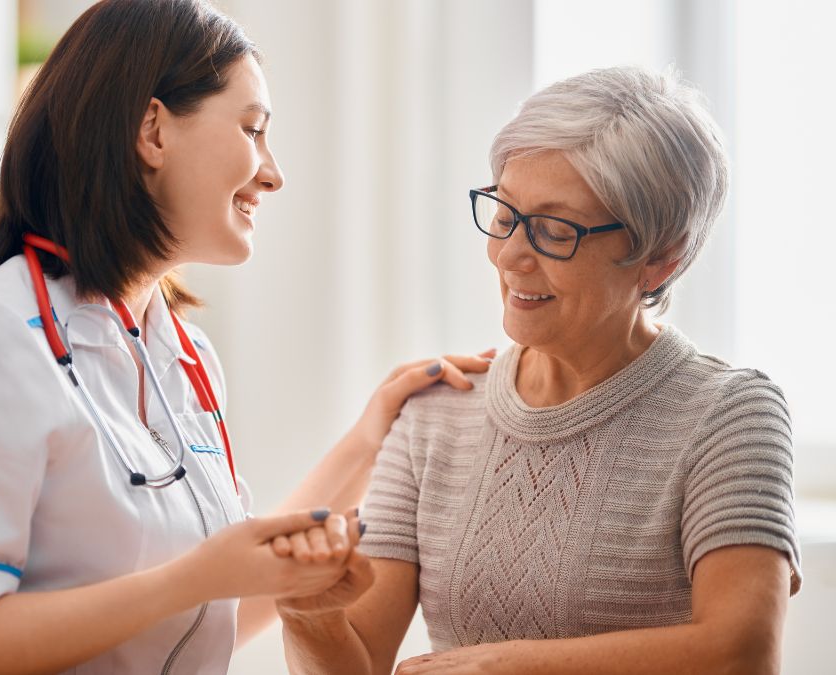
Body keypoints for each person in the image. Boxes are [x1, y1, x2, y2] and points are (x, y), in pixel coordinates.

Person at [0, 1, 491, 674]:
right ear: (152, 129)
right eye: (252, 129)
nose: (273, 173)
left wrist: (371, 439)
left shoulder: (181, 356)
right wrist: (193, 576)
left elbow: (214, 609)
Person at [279, 66, 802, 674]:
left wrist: (507, 666)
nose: (511, 257)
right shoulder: (435, 413)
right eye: (504, 217)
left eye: (555, 231)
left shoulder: (731, 415)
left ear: (659, 260)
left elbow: (743, 653)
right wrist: (307, 612)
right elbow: (358, 665)